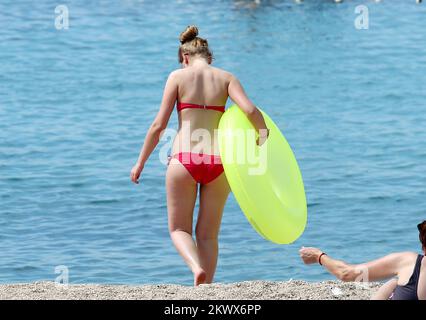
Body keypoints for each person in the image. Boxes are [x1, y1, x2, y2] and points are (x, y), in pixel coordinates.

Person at [130, 26, 269, 286]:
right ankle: (206, 288)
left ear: (184, 57)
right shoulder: (227, 77)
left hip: (184, 159)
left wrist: (141, 162)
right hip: (219, 162)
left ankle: (196, 269)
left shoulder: (177, 77)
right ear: (210, 57)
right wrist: (262, 134)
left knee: (179, 229)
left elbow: (158, 126)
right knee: (207, 235)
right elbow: (250, 110)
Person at [299, 221, 426, 300]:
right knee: (393, 284)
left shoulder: (407, 262)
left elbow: (346, 273)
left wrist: (318, 256)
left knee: (393, 285)